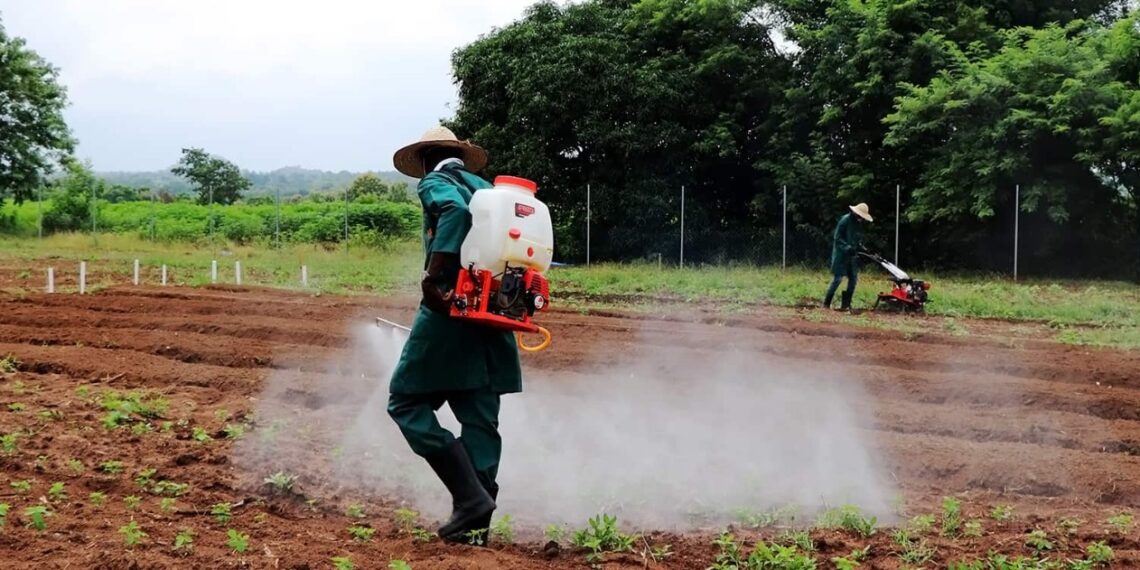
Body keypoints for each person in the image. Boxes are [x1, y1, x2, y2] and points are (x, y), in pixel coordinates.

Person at [387, 126, 522, 543]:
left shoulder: (436, 182)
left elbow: (454, 214)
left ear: (427, 157)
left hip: (452, 309)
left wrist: (436, 276)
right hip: (496, 310)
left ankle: (470, 500)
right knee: (479, 413)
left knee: (406, 402)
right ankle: (475, 528)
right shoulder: (490, 189)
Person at [824, 203, 873, 311]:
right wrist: (847, 247)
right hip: (841, 255)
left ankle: (846, 305)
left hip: (852, 256)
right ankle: (826, 304)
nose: (861, 218)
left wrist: (862, 248)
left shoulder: (858, 224)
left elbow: (856, 239)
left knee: (853, 279)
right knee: (838, 279)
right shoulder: (845, 220)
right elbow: (837, 238)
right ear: (856, 213)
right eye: (860, 216)